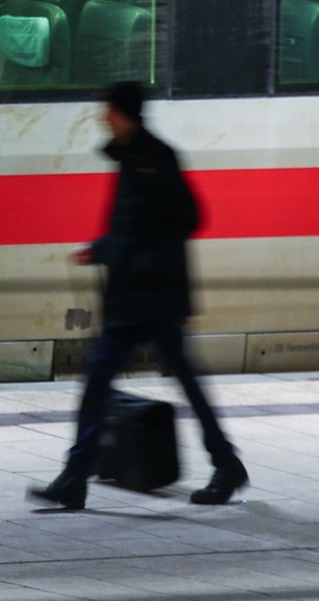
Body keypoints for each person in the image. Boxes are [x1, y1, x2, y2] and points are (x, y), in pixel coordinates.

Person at [29, 80, 246, 510]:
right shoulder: (130, 157)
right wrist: (102, 249)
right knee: (103, 384)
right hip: (133, 297)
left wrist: (138, 259)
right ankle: (76, 475)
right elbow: (131, 226)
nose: (102, 118)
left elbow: (187, 218)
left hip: (154, 297)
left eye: (108, 111)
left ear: (124, 113)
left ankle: (227, 466)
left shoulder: (157, 158)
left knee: (174, 381)